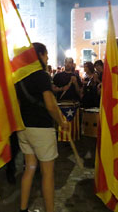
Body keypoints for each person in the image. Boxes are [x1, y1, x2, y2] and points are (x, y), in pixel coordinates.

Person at [16, 42, 69, 212]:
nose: (47, 59)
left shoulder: (19, 78)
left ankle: (23, 208)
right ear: (39, 55)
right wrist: (62, 122)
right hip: (42, 129)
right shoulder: (42, 76)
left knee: (30, 168)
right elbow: (50, 105)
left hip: (24, 128)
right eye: (46, 55)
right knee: (47, 173)